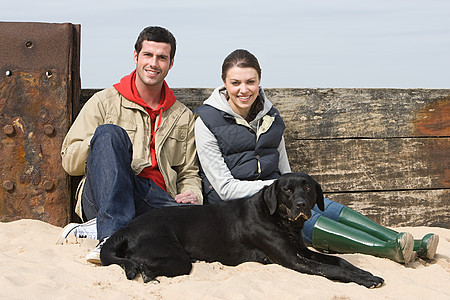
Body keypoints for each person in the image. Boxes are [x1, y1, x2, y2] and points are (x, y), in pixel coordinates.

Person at [194, 49, 439, 264]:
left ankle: (408, 242)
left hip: (280, 193)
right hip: (240, 208)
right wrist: (277, 188)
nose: (243, 90)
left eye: (250, 81)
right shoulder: (207, 120)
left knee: (328, 207)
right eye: (235, 82)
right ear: (224, 82)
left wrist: (295, 190)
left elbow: (285, 169)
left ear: (260, 80)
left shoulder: (271, 116)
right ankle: (387, 249)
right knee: (305, 218)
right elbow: (224, 188)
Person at [59, 26, 202, 264]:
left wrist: (193, 193)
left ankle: (102, 229)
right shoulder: (105, 102)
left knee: (196, 224)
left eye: (161, 57)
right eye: (148, 55)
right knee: (109, 133)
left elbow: (189, 172)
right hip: (104, 197)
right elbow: (70, 160)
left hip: (154, 201)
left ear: (171, 63)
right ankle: (111, 236)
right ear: (136, 56)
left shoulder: (182, 116)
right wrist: (103, 144)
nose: (153, 63)